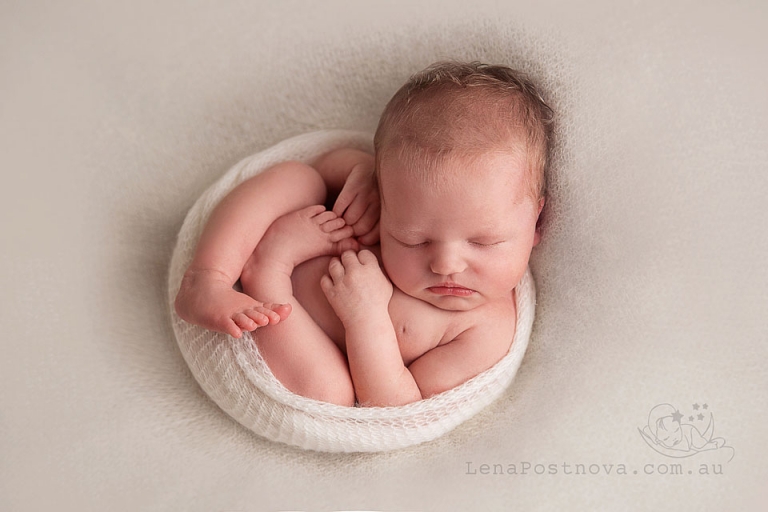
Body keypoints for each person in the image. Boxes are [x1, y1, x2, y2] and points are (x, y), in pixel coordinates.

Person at [174, 61, 553, 407]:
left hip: (286, 319)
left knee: (329, 393)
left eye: (483, 242)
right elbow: (326, 166)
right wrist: (359, 174)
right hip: (300, 235)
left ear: (536, 223)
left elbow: (397, 403)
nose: (445, 263)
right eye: (413, 239)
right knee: (298, 177)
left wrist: (365, 318)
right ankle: (208, 277)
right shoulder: (391, 194)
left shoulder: (487, 330)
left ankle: (266, 270)